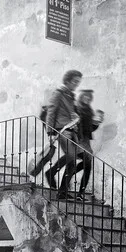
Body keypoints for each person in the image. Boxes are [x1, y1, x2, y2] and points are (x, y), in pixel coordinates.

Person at [37, 69, 82, 198]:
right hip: (62, 130)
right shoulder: (58, 94)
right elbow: (51, 112)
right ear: (67, 81)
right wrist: (50, 132)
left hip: (72, 130)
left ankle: (62, 191)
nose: (76, 85)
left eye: (78, 82)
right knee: (71, 157)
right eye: (74, 82)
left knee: (73, 161)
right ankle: (51, 173)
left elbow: (70, 113)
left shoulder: (71, 96)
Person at [66, 89, 104, 201]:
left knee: (87, 166)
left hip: (86, 141)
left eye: (89, 97)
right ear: (81, 97)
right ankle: (69, 180)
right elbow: (73, 124)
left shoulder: (89, 111)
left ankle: (80, 193)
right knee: (86, 163)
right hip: (78, 140)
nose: (87, 99)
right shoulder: (77, 108)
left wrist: (96, 123)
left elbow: (89, 129)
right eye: (85, 97)